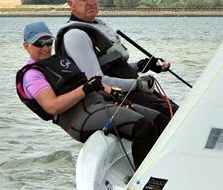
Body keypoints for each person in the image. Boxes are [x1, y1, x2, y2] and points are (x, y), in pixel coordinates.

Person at [15, 20, 163, 167]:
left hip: (98, 104)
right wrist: (85, 88)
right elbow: (52, 107)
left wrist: (116, 95)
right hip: (77, 118)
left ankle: (163, 170)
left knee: (160, 119)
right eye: (39, 44)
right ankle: (142, 182)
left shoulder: (60, 61)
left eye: (48, 42)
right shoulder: (32, 75)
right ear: (26, 46)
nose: (46, 48)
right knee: (143, 127)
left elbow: (94, 83)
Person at [54, 0, 177, 132]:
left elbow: (112, 68)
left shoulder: (96, 26)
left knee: (176, 112)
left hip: (130, 89)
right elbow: (97, 82)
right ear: (71, 4)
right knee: (172, 119)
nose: (90, 2)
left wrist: (142, 66)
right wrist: (138, 84)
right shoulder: (75, 35)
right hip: (115, 96)